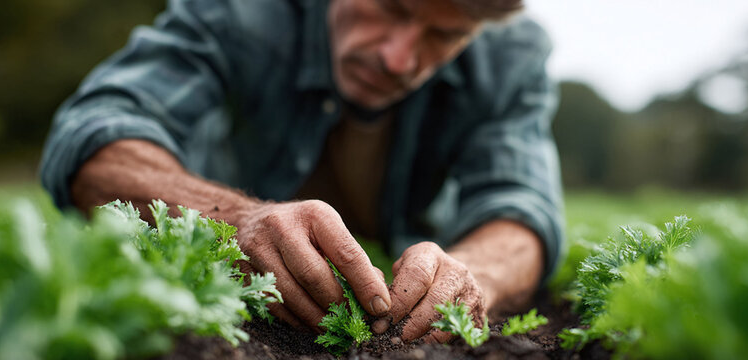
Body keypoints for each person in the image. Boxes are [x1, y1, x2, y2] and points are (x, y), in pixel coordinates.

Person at [40, 0, 565, 343]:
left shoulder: (510, 55)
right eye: (389, 7)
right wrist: (234, 221)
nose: (398, 59)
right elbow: (94, 132)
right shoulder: (241, 12)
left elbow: (521, 202)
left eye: (443, 35)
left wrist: (476, 273)